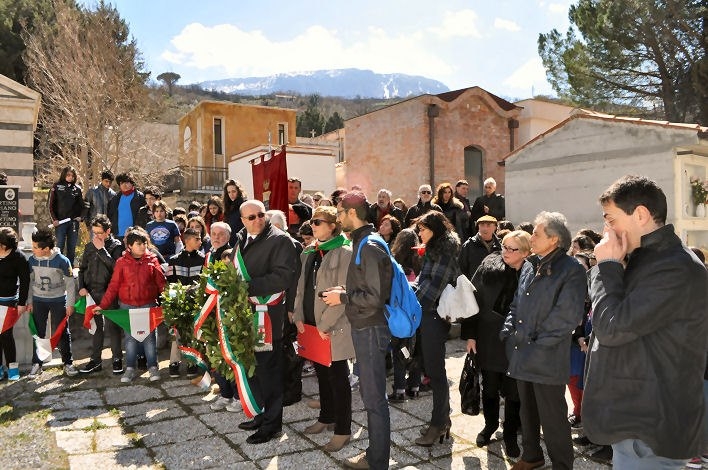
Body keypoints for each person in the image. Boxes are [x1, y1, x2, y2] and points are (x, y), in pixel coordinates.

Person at [583, 175, 708, 468]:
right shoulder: (648, 259)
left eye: (611, 219)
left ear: (640, 214)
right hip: (637, 417)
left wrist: (608, 267)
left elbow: (612, 327)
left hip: (650, 427)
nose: (607, 231)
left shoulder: (674, 267)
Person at [500, 211, 587, 470]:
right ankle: (532, 456)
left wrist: (536, 343)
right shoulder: (530, 264)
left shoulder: (571, 270)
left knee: (553, 418)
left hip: (546, 358)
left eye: (537, 233)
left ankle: (562, 464)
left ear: (554, 239)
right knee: (527, 412)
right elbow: (517, 304)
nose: (531, 237)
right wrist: (508, 332)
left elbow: (566, 318)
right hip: (522, 351)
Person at [323, 191, 393, 470]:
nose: (338, 219)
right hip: (365, 326)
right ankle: (375, 453)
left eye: (340, 213)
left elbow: (375, 297)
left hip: (370, 327)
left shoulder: (370, 245)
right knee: (371, 395)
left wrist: (343, 297)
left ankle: (377, 461)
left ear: (352, 213)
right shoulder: (364, 241)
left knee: (374, 398)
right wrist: (347, 291)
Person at [461, 230, 531, 458]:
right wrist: (470, 335)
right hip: (488, 337)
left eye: (513, 249)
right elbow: (472, 300)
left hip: (516, 342)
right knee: (489, 388)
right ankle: (489, 426)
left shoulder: (532, 272)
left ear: (526, 252)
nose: (507, 253)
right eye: (505, 247)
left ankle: (510, 436)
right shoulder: (489, 264)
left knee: (513, 393)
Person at [233, 200, 298, 444]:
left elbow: (282, 277)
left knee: (269, 372)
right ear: (242, 220)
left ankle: (273, 425)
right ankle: (260, 414)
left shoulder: (279, 240)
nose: (258, 220)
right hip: (246, 315)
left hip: (267, 318)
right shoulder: (242, 238)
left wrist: (244, 287)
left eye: (261, 215)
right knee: (254, 368)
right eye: (251, 217)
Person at [293, 206, 355, 452]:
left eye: (318, 222)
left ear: (332, 225)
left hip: (333, 327)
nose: (313, 226)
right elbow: (301, 287)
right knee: (322, 375)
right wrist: (298, 315)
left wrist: (325, 324)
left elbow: (342, 291)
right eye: (312, 222)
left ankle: (343, 430)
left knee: (339, 379)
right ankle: (326, 418)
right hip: (311, 324)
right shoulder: (310, 251)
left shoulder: (344, 252)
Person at [412, 211, 460, 447]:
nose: (419, 233)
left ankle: (438, 424)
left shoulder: (443, 250)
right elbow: (424, 281)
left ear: (435, 229)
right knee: (433, 371)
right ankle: (443, 420)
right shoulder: (435, 248)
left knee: (436, 374)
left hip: (433, 316)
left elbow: (434, 287)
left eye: (423, 228)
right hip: (428, 314)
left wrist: (411, 304)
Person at [95, 228, 166, 383]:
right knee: (130, 339)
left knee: (149, 339)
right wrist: (103, 305)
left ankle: (153, 366)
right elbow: (113, 286)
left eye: (144, 244)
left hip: (148, 305)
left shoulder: (152, 260)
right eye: (138, 244)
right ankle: (130, 368)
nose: (142, 247)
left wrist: (168, 301)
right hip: (128, 307)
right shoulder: (121, 263)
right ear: (130, 246)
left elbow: (161, 284)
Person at [77, 215, 126, 375]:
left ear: (108, 231)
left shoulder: (116, 246)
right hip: (92, 293)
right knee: (96, 327)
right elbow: (82, 268)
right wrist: (81, 286)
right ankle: (95, 361)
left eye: (99, 233)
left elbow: (117, 269)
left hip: (110, 293)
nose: (96, 236)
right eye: (94, 232)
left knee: (114, 328)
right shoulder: (89, 247)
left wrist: (102, 250)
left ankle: (117, 359)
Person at [27, 228, 78, 378]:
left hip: (58, 301)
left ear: (46, 248)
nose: (33, 249)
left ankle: (68, 363)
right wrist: (29, 301)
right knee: (38, 333)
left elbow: (70, 284)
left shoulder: (62, 261)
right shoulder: (31, 260)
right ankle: (37, 363)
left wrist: (70, 304)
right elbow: (29, 283)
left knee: (62, 331)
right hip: (38, 301)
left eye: (36, 247)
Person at [388, 228, 423, 402]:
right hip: (418, 312)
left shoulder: (394, 261)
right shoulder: (421, 260)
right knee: (416, 351)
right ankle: (415, 387)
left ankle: (400, 389)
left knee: (399, 350)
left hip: (400, 312)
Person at [166, 228, 204, 378]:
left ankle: (191, 361)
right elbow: (170, 283)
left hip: (196, 304)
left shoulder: (203, 259)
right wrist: (174, 304)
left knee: (194, 333)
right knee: (177, 333)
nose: (200, 242)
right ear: (187, 240)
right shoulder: (174, 260)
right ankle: (174, 362)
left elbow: (204, 282)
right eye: (197, 239)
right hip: (179, 303)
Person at [0, 227, 29, 381]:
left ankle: (12, 368)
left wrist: (22, 303)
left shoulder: (19, 257)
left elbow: (25, 281)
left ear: (4, 245)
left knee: (5, 335)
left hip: (9, 301)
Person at [48, 165, 84, 265]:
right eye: (68, 175)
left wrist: (81, 217)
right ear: (64, 175)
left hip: (73, 223)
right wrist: (54, 219)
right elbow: (50, 205)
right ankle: (58, 267)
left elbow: (82, 206)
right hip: (60, 222)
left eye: (72, 176)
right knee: (59, 246)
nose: (70, 177)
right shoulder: (56, 186)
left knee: (72, 247)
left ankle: (70, 268)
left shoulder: (77, 188)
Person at [106, 172, 146, 243]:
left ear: (132, 183)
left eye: (127, 182)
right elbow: (110, 215)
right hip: (118, 235)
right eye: (121, 183)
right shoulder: (115, 199)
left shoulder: (140, 197)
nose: (124, 185)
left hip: (135, 234)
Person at [459, 215, 501, 281]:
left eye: (488, 225)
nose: (485, 228)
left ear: (495, 227)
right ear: (478, 227)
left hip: (496, 286)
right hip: (474, 287)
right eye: (482, 225)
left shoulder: (500, 245)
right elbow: (461, 268)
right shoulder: (469, 245)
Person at [83, 170, 116, 236]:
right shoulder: (92, 191)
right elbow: (85, 208)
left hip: (107, 227)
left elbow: (114, 213)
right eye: (106, 181)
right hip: (94, 226)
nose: (108, 184)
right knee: (95, 245)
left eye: (110, 182)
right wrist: (88, 224)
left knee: (106, 246)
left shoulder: (113, 194)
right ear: (102, 180)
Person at [223, 179, 247, 247]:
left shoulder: (244, 205)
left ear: (238, 192)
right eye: (229, 192)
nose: (231, 194)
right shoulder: (228, 207)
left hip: (241, 243)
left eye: (233, 191)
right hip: (230, 244)